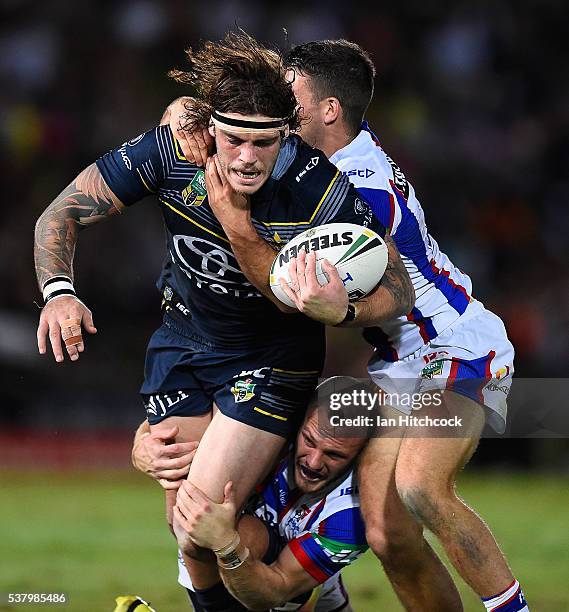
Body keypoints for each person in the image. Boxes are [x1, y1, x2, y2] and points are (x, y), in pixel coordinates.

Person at [33, 31, 413, 607]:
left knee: (203, 520)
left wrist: (348, 309)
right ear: (207, 129)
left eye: (263, 143)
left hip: (272, 359)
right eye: (233, 139)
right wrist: (59, 292)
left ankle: (307, 582)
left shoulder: (315, 188)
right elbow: (59, 215)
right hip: (182, 346)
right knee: (187, 536)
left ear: (285, 133)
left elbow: (399, 287)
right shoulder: (171, 150)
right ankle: (321, 588)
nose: (245, 158)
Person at [170, 39, 527, 612]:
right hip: (397, 366)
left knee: (418, 488)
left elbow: (291, 293)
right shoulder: (339, 157)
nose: (281, 112)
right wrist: (182, 116)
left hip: (455, 345)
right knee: (388, 534)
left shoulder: (356, 189)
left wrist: (238, 227)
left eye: (292, 98)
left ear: (329, 110)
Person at [134, 377, 369, 612]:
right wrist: (142, 446)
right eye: (309, 440)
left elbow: (276, 589)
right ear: (301, 419)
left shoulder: (354, 514)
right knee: (203, 529)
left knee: (228, 536)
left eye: (334, 455)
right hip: (230, 557)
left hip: (292, 571)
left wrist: (226, 545)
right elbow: (175, 416)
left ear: (359, 456)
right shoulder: (270, 419)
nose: (314, 462)